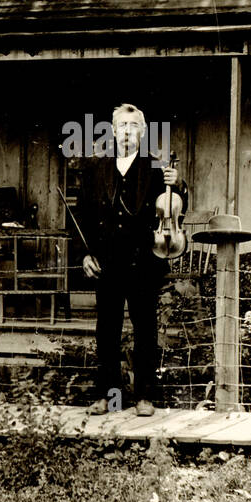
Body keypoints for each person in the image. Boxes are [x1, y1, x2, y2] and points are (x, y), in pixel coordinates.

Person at [76, 103, 186, 417]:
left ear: (142, 132)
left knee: (145, 331)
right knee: (106, 331)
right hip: (107, 262)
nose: (127, 132)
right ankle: (109, 397)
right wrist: (85, 253)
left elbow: (175, 207)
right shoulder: (96, 168)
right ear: (112, 131)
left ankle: (145, 397)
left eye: (133, 126)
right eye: (121, 125)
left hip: (144, 261)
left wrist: (175, 184)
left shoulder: (157, 168)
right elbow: (81, 216)